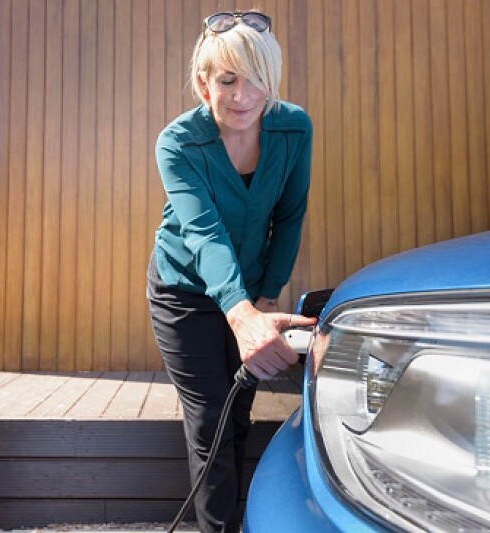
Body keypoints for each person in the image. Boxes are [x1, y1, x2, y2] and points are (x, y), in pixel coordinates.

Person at [146, 10, 317, 533]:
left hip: (250, 295)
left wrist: (264, 300)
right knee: (210, 422)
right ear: (203, 82)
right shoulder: (178, 143)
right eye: (227, 80)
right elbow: (204, 233)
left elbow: (289, 215)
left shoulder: (294, 127)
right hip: (184, 291)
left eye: (257, 81)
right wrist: (240, 313)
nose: (243, 96)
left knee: (239, 414)